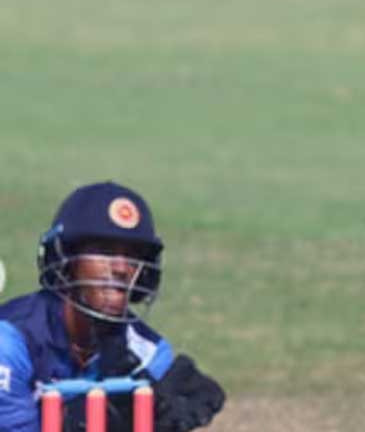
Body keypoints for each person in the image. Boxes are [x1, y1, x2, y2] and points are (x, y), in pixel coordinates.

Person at [0, 181, 225, 432]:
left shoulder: (148, 353)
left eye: (133, 255)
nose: (121, 268)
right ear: (66, 261)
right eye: (104, 251)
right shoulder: (9, 343)